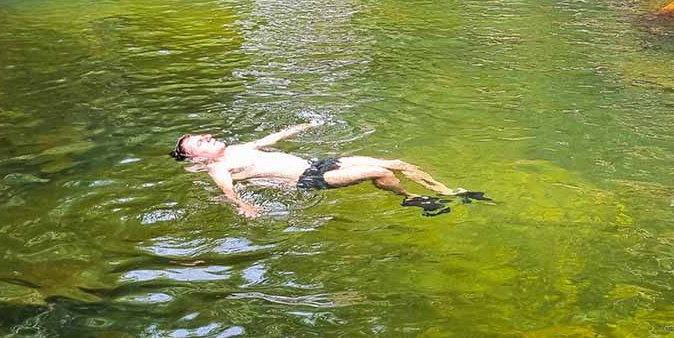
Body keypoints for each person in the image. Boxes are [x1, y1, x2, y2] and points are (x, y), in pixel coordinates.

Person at [171, 120, 490, 218]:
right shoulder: (216, 169)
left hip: (315, 164)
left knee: (396, 162)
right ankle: (409, 198)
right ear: (198, 158)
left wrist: (301, 127)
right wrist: (246, 206)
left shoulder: (238, 148)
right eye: (202, 141)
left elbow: (270, 138)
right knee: (378, 173)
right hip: (308, 179)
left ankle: (450, 191)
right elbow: (227, 191)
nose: (208, 136)